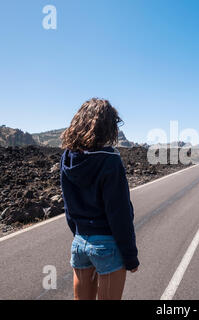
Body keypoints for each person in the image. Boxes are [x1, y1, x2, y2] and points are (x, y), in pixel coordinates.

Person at [59, 98, 139, 300]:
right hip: (106, 246)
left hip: (80, 242)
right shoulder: (110, 160)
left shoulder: (67, 158)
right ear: (107, 127)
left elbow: (68, 208)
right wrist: (130, 257)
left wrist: (81, 237)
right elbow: (119, 213)